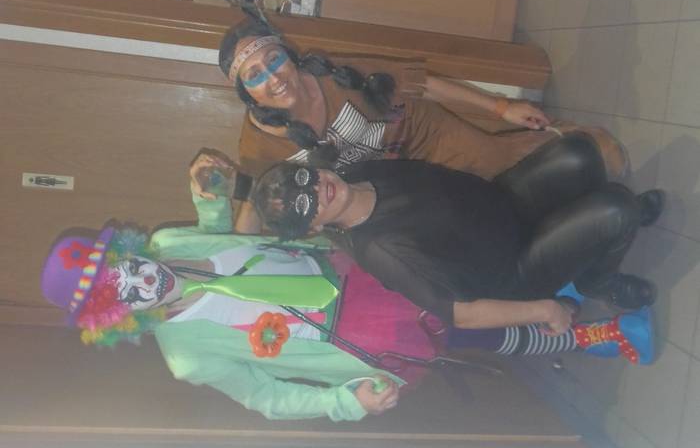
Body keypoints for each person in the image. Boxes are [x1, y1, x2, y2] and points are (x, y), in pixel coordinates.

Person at [41, 149, 655, 423]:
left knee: (461, 285)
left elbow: (225, 240)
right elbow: (266, 397)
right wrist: (344, 402)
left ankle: (558, 284)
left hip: (346, 269)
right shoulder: (186, 357)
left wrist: (209, 199)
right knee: (467, 333)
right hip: (357, 335)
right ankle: (591, 336)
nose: (139, 278)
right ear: (114, 315)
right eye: (118, 289)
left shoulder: (170, 245)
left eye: (121, 263)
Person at [217, 11, 630, 232]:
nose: (273, 77)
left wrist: (501, 107)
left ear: (289, 54)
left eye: (274, 59)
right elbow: (256, 205)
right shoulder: (259, 143)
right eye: (254, 75)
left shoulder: (330, 71)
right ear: (245, 92)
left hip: (422, 134)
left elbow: (422, 85)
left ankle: (587, 154)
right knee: (462, 224)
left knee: (497, 162)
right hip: (381, 188)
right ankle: (575, 224)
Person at [252, 132, 664, 334]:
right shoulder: (382, 250)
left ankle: (602, 232)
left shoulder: (354, 173)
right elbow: (460, 314)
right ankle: (598, 280)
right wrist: (544, 310)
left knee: (579, 152)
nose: (316, 191)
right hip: (512, 269)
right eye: (304, 206)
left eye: (302, 178)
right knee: (617, 208)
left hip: (503, 203)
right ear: (313, 226)